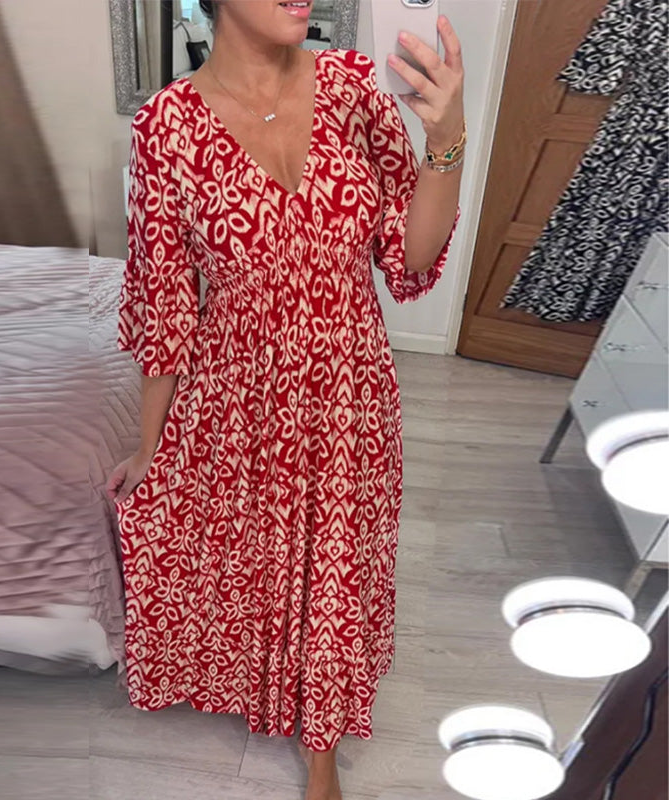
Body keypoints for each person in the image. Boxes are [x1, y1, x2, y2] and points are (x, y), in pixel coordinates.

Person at [106, 2, 464, 798]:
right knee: (262, 559)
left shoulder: (354, 89)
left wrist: (447, 139)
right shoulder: (166, 127)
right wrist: (149, 448)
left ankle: (322, 743)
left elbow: (410, 258)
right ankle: (266, 689)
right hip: (238, 396)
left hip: (349, 393)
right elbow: (165, 308)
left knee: (336, 566)